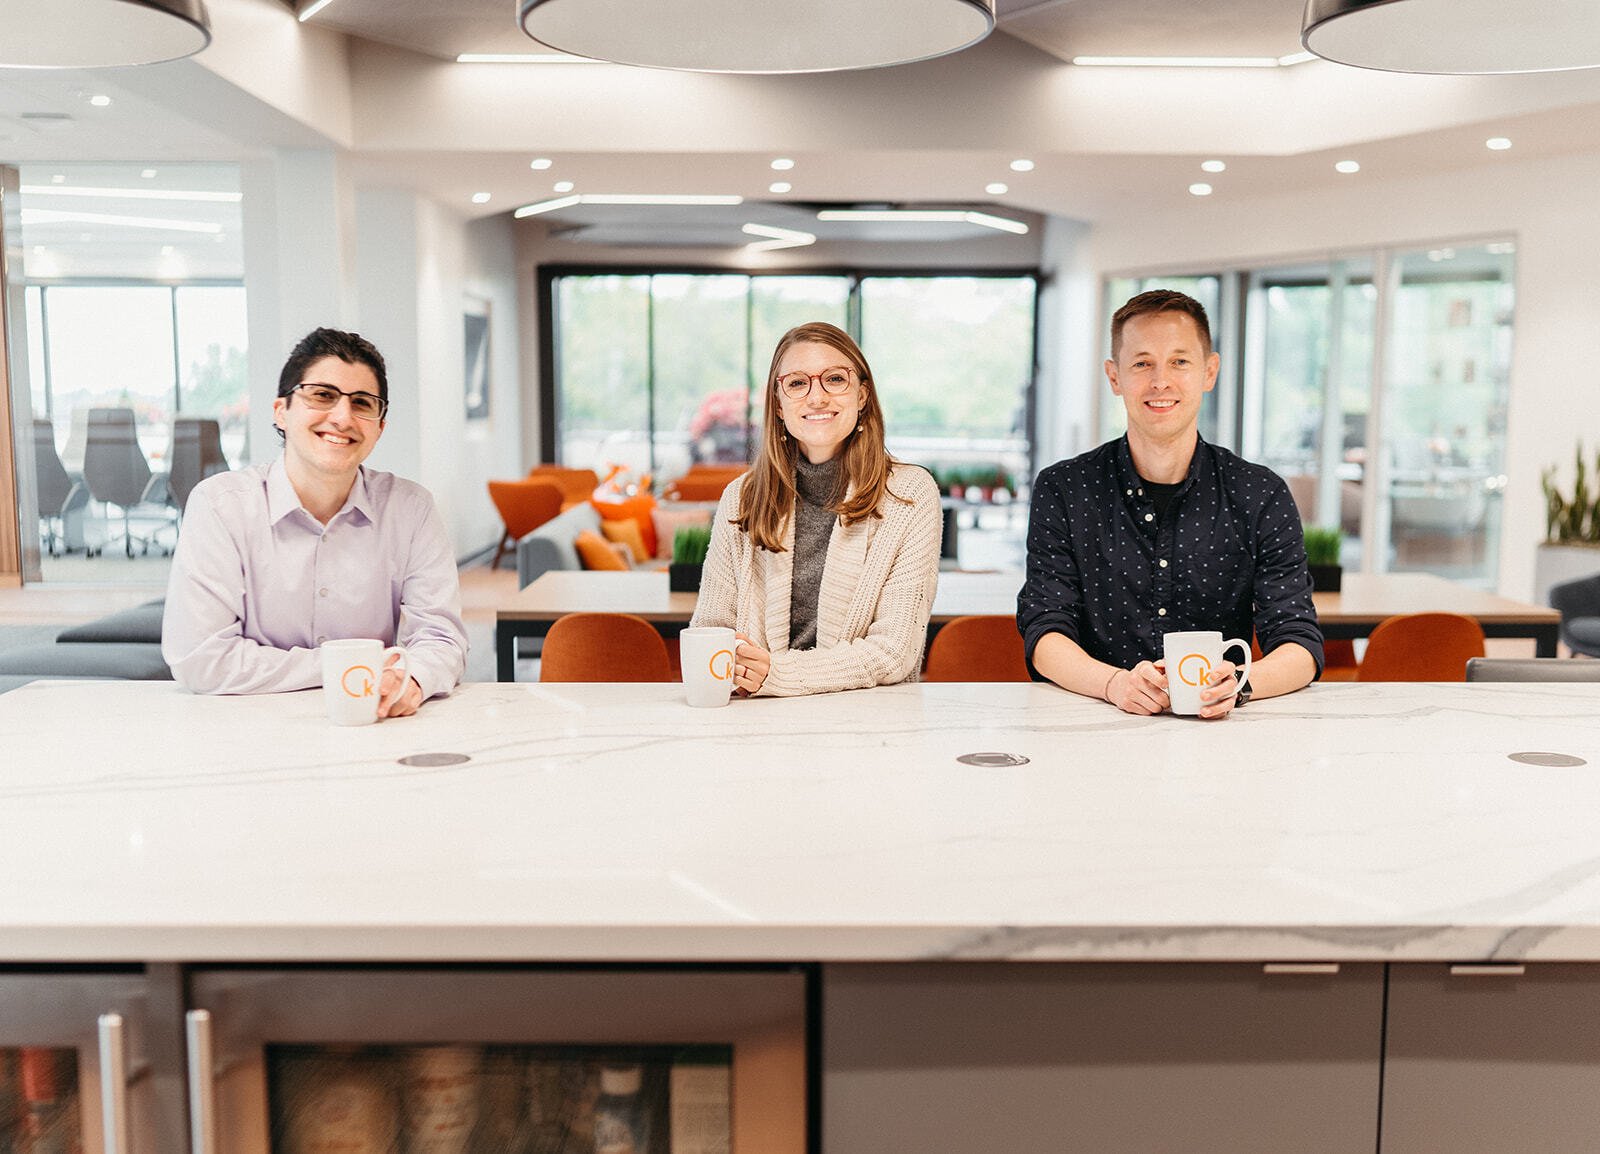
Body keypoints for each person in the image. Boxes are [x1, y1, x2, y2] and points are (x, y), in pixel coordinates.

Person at [1019, 290, 1322, 718]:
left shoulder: (1260, 493)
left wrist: (1238, 685)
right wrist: (1112, 684)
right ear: (1114, 377)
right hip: (1091, 719)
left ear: (1209, 371)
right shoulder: (1065, 488)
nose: (1160, 380)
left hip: (1217, 732)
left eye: (1180, 361)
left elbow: (1299, 640)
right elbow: (1044, 628)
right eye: (1142, 363)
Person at [162, 328, 467, 715]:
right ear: (281, 412)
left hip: (370, 721)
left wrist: (413, 679)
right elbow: (200, 658)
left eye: (362, 403)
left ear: (379, 427)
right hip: (244, 724)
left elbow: (441, 637)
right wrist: (351, 665)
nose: (342, 417)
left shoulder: (412, 509)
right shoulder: (221, 507)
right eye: (322, 395)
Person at [691, 321, 941, 696]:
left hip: (869, 724)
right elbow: (711, 628)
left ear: (862, 395)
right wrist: (738, 669)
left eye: (835, 379)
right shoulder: (741, 496)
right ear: (778, 404)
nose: (816, 397)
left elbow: (894, 651)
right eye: (796, 383)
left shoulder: (909, 494)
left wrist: (777, 674)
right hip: (754, 718)